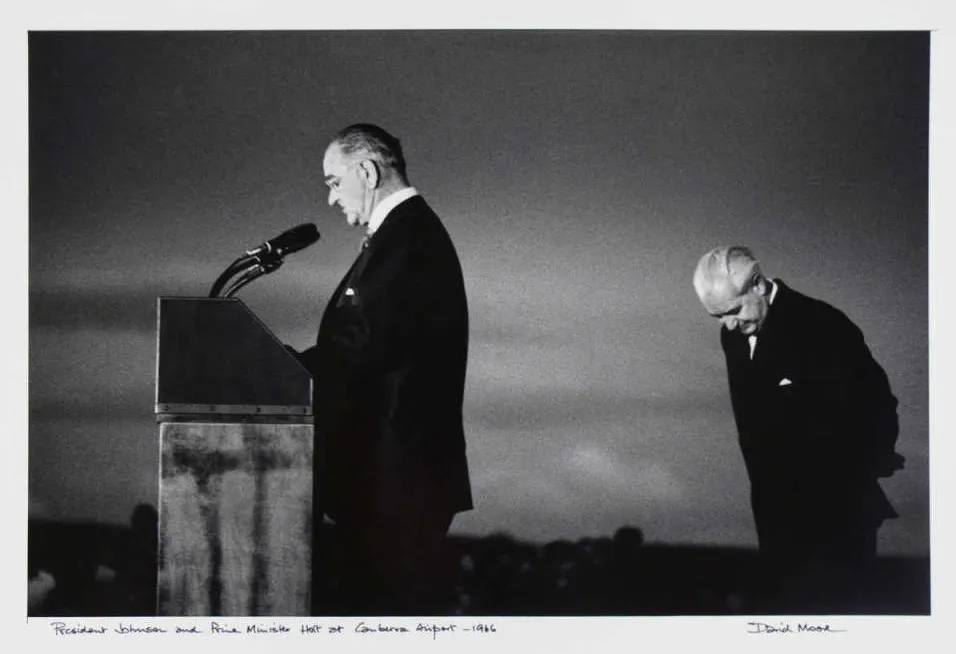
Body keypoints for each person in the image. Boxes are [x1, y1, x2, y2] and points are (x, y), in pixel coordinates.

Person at [295, 124, 473, 616]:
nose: (331, 199)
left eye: (334, 182)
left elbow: (363, 345)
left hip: (399, 485)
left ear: (368, 172)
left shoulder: (408, 238)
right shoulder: (402, 235)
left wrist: (281, 366)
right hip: (393, 482)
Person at [692, 245, 904, 612]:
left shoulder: (822, 324)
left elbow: (878, 405)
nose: (728, 325)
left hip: (839, 517)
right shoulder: (733, 336)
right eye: (717, 316)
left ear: (758, 285)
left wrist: (858, 472)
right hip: (776, 518)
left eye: (734, 310)